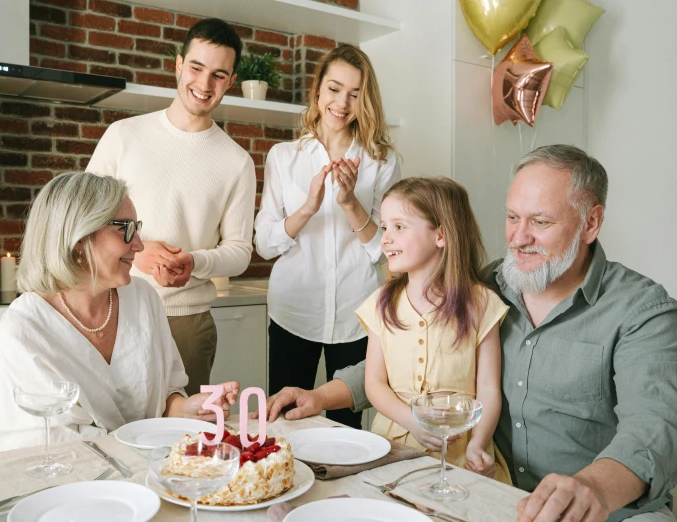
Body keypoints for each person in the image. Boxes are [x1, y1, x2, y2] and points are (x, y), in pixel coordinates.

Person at [259, 145, 677, 522]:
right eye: (512, 217)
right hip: (488, 494)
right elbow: (403, 352)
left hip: (607, 511)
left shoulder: (641, 309)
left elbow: (657, 428)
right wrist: (321, 396)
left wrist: (593, 488)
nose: (519, 238)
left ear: (591, 223)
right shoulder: (490, 284)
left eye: (539, 221)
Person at [0, 172, 238, 455]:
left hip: (126, 465)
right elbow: (68, 440)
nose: (139, 244)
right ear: (79, 240)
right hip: (35, 469)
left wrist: (186, 409)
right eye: (125, 229)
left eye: (138, 228)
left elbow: (167, 395)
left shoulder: (144, 299)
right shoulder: (27, 324)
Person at [86, 18, 256, 396]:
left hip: (187, 323)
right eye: (196, 68)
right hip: (113, 310)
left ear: (230, 81)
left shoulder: (237, 161)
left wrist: (194, 262)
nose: (204, 83)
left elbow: (240, 251)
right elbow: (83, 217)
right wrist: (139, 254)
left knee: (183, 440)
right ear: (179, 64)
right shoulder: (124, 135)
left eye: (218, 74)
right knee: (113, 429)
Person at [254, 44, 400, 429]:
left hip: (356, 311)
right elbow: (265, 243)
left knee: (346, 432)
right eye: (335, 89)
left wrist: (350, 202)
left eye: (355, 94)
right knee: (285, 423)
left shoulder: (381, 161)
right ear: (318, 89)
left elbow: (385, 250)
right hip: (293, 312)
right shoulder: (283, 157)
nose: (342, 103)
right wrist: (306, 208)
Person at [359, 177, 511, 483]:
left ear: (440, 235)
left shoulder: (482, 304)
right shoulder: (380, 303)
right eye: (384, 227)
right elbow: (374, 383)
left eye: (399, 227)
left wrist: (479, 444)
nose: (385, 238)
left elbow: (489, 390)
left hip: (459, 447)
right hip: (394, 443)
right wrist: (413, 422)